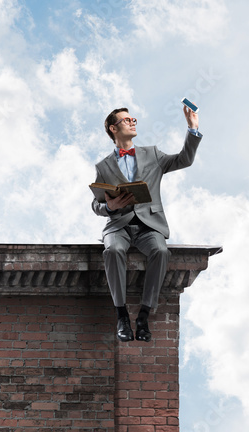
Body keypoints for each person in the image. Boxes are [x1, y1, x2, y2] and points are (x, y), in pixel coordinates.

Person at [92, 105, 201, 341]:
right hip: (118, 226)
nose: (133, 122)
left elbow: (184, 160)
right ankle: (121, 315)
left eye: (134, 119)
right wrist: (111, 207)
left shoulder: (152, 154)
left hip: (148, 225)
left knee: (161, 251)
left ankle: (144, 314)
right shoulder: (103, 167)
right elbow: (96, 205)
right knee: (112, 250)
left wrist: (192, 130)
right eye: (127, 120)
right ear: (113, 128)